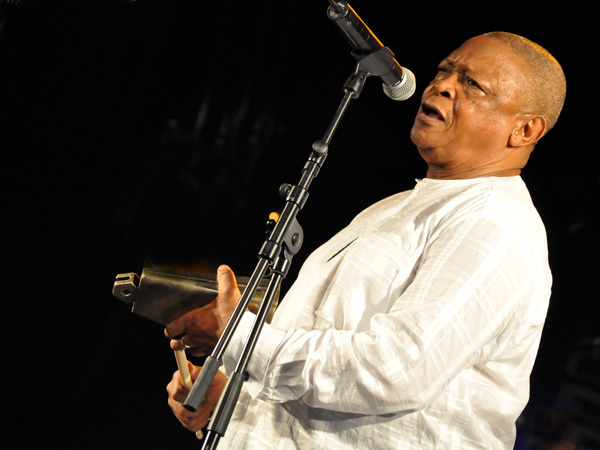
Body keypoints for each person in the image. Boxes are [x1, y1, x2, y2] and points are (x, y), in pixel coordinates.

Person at [165, 31, 567, 449]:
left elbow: (396, 371)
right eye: (445, 70)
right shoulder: (398, 207)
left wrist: (241, 339)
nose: (442, 85)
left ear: (524, 130)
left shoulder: (494, 223)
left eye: (472, 84)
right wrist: (235, 397)